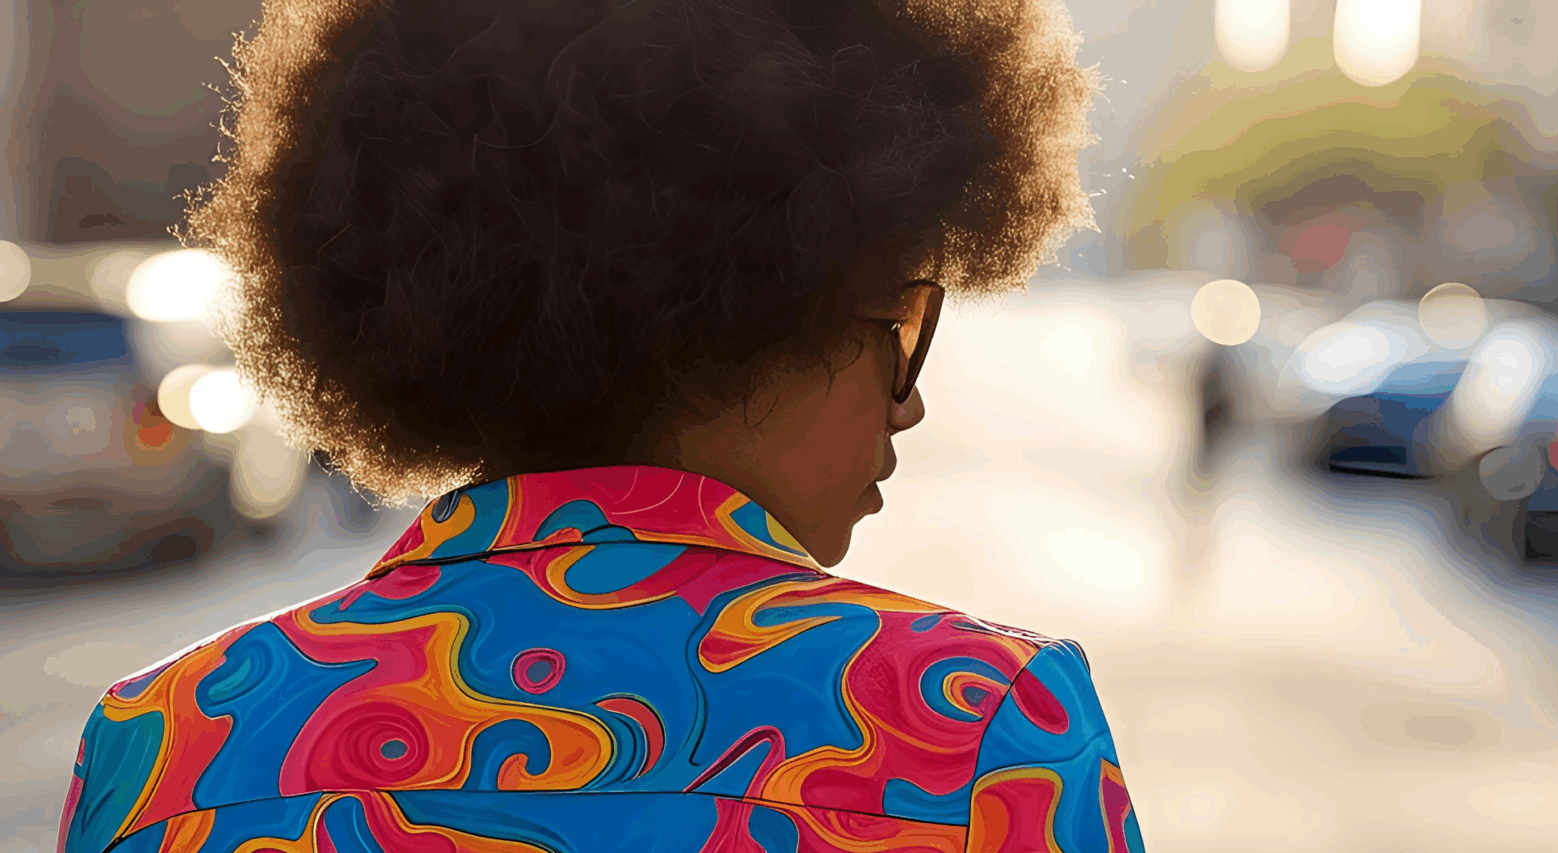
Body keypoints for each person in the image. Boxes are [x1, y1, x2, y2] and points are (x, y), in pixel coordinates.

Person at [58, 0, 1142, 850]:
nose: (907, 398)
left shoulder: (173, 745)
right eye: (902, 317)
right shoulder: (983, 736)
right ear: (759, 314)